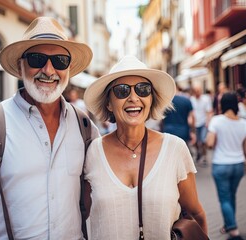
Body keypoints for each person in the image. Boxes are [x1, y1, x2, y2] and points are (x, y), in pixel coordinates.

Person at [0, 16, 99, 239]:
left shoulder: (85, 126)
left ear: (68, 68)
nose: (49, 70)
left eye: (59, 60)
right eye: (37, 58)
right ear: (21, 65)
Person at [83, 55, 207, 239]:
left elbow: (196, 214)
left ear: (151, 99)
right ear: (109, 103)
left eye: (143, 89)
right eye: (122, 91)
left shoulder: (175, 149)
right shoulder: (93, 152)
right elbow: (81, 216)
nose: (134, 98)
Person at [206, 92, 246, 240]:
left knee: (225, 198)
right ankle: (229, 224)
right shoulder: (244, 123)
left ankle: (234, 232)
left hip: (221, 164)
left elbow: (210, 143)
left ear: (222, 105)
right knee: (231, 196)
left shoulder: (216, 121)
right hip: (238, 164)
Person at [190, 85, 213, 165]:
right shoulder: (191, 100)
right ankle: (198, 153)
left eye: (198, 90)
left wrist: (208, 122)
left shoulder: (206, 99)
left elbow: (209, 112)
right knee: (195, 141)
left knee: (203, 141)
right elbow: (190, 112)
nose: (197, 92)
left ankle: (204, 156)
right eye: (195, 91)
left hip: (203, 123)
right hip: (194, 123)